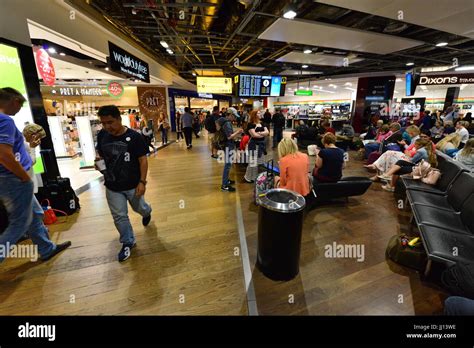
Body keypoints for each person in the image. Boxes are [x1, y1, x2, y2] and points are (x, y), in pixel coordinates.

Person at [0, 87, 71, 263]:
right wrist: (24, 177)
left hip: (9, 180)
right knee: (20, 223)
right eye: (19, 106)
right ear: (14, 101)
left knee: (33, 215)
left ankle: (46, 248)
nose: (18, 110)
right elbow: (3, 154)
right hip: (13, 179)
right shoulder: (5, 120)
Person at [96, 105, 152, 262]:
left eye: (110, 122)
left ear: (119, 119)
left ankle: (147, 212)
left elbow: (143, 160)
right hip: (112, 185)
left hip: (133, 184)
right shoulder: (102, 135)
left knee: (139, 207)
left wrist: (142, 182)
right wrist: (99, 163)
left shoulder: (135, 137)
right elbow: (101, 154)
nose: (108, 127)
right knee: (120, 216)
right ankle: (128, 242)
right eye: (104, 123)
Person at [216, 108, 242, 192]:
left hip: (225, 145)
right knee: (228, 165)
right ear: (230, 115)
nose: (235, 118)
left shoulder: (222, 121)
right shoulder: (227, 123)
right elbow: (229, 136)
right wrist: (238, 132)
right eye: (234, 116)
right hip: (228, 145)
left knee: (228, 164)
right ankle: (224, 185)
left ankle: (226, 180)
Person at [243, 110, 269, 183]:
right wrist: (262, 134)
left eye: (260, 113)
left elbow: (267, 132)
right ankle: (247, 177)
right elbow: (254, 135)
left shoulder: (262, 123)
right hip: (253, 145)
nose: (260, 114)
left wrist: (259, 133)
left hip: (261, 146)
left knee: (256, 163)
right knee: (252, 163)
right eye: (258, 113)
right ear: (254, 115)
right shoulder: (250, 124)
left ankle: (254, 177)